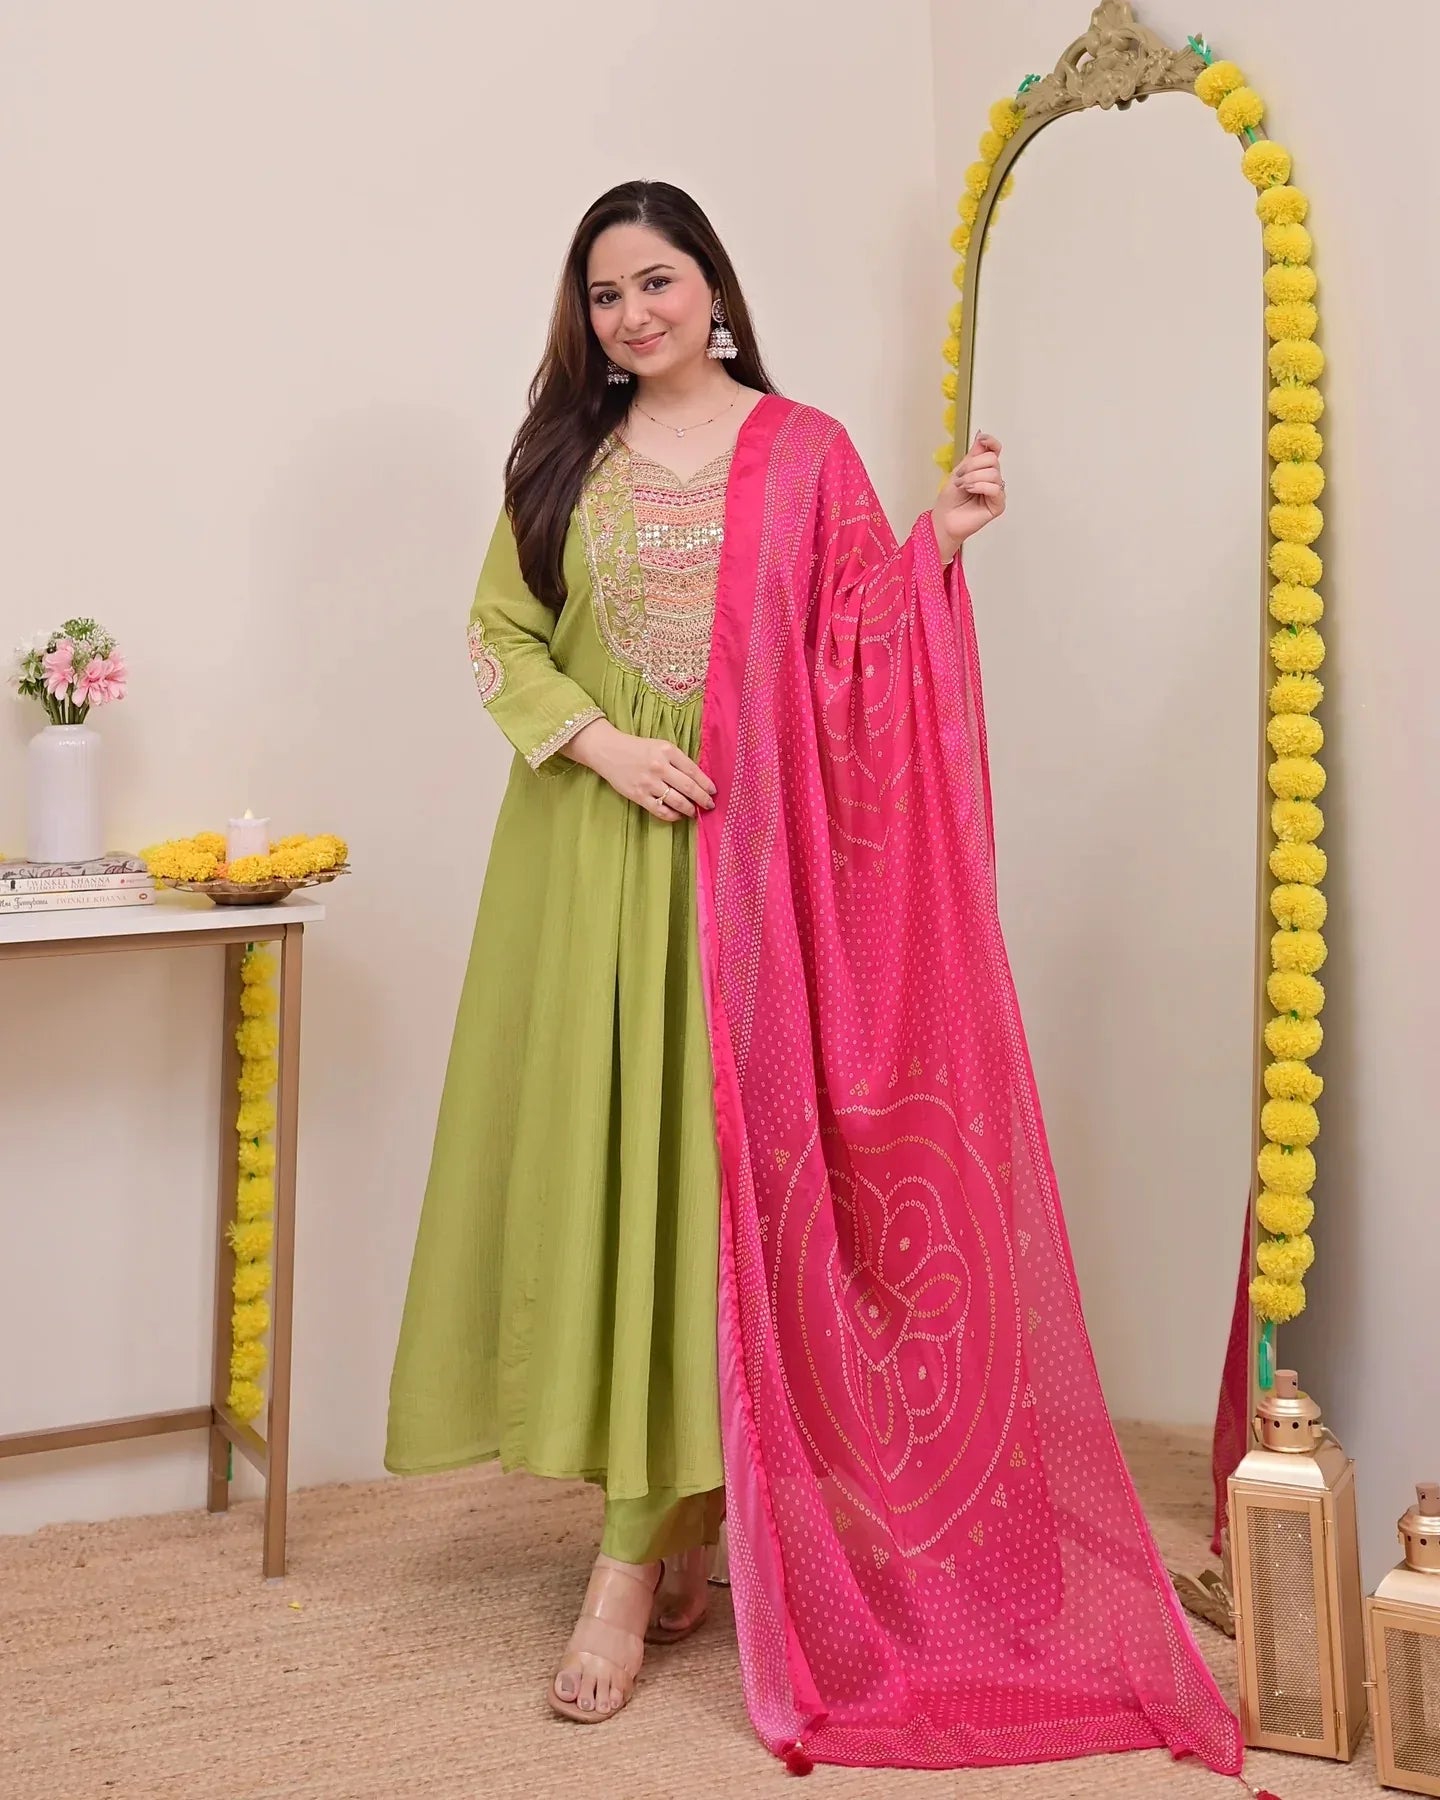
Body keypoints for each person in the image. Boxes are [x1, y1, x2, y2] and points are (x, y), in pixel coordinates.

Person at [387, 181, 1241, 1780]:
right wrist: (602, 741)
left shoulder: (808, 451)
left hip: (757, 877)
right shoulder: (559, 460)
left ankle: (637, 1563)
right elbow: (504, 635)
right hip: (596, 869)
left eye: (658, 281)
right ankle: (661, 1532)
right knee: (625, 1191)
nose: (634, 316)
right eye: (605, 297)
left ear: (714, 284)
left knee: (723, 1196)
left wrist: (945, 545)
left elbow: (861, 646)